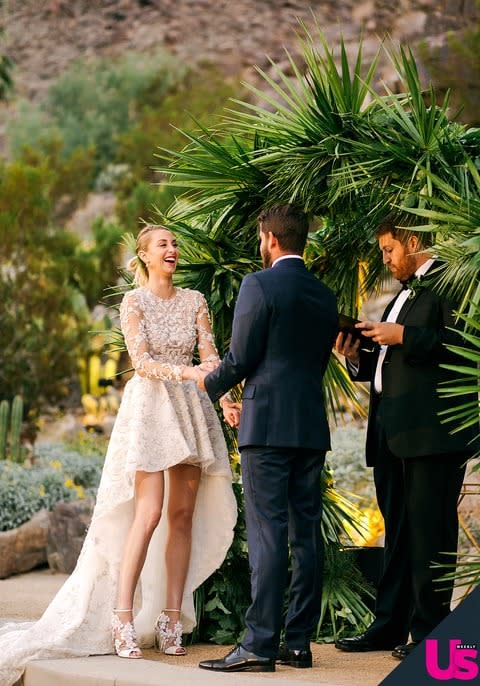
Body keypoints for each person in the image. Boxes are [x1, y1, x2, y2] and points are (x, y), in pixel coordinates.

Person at [0, 224, 237, 685]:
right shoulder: (134, 302)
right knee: (147, 514)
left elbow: (211, 356)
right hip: (151, 408)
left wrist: (225, 395)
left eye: (174, 243)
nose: (171, 249)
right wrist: (192, 374)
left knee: (182, 514)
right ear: (144, 257)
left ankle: (171, 617)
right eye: (162, 244)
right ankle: (122, 617)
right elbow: (141, 360)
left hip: (190, 408)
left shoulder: (195, 301)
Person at [195, 203, 338, 673]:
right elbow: (315, 361)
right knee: (305, 536)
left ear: (271, 239)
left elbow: (241, 356)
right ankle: (298, 643)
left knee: (267, 534)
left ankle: (258, 643)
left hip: (267, 426)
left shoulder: (258, 285)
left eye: (261, 239)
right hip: (309, 426)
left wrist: (209, 386)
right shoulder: (324, 294)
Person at [334, 213, 477, 660]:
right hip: (392, 431)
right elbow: (393, 361)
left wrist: (404, 335)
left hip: (434, 434)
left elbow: (464, 344)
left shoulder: (455, 282)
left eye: (389, 249)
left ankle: (431, 636)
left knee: (431, 534)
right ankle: (388, 625)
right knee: (397, 534)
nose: (385, 259)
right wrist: (360, 353)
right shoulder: (403, 293)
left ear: (413, 240)